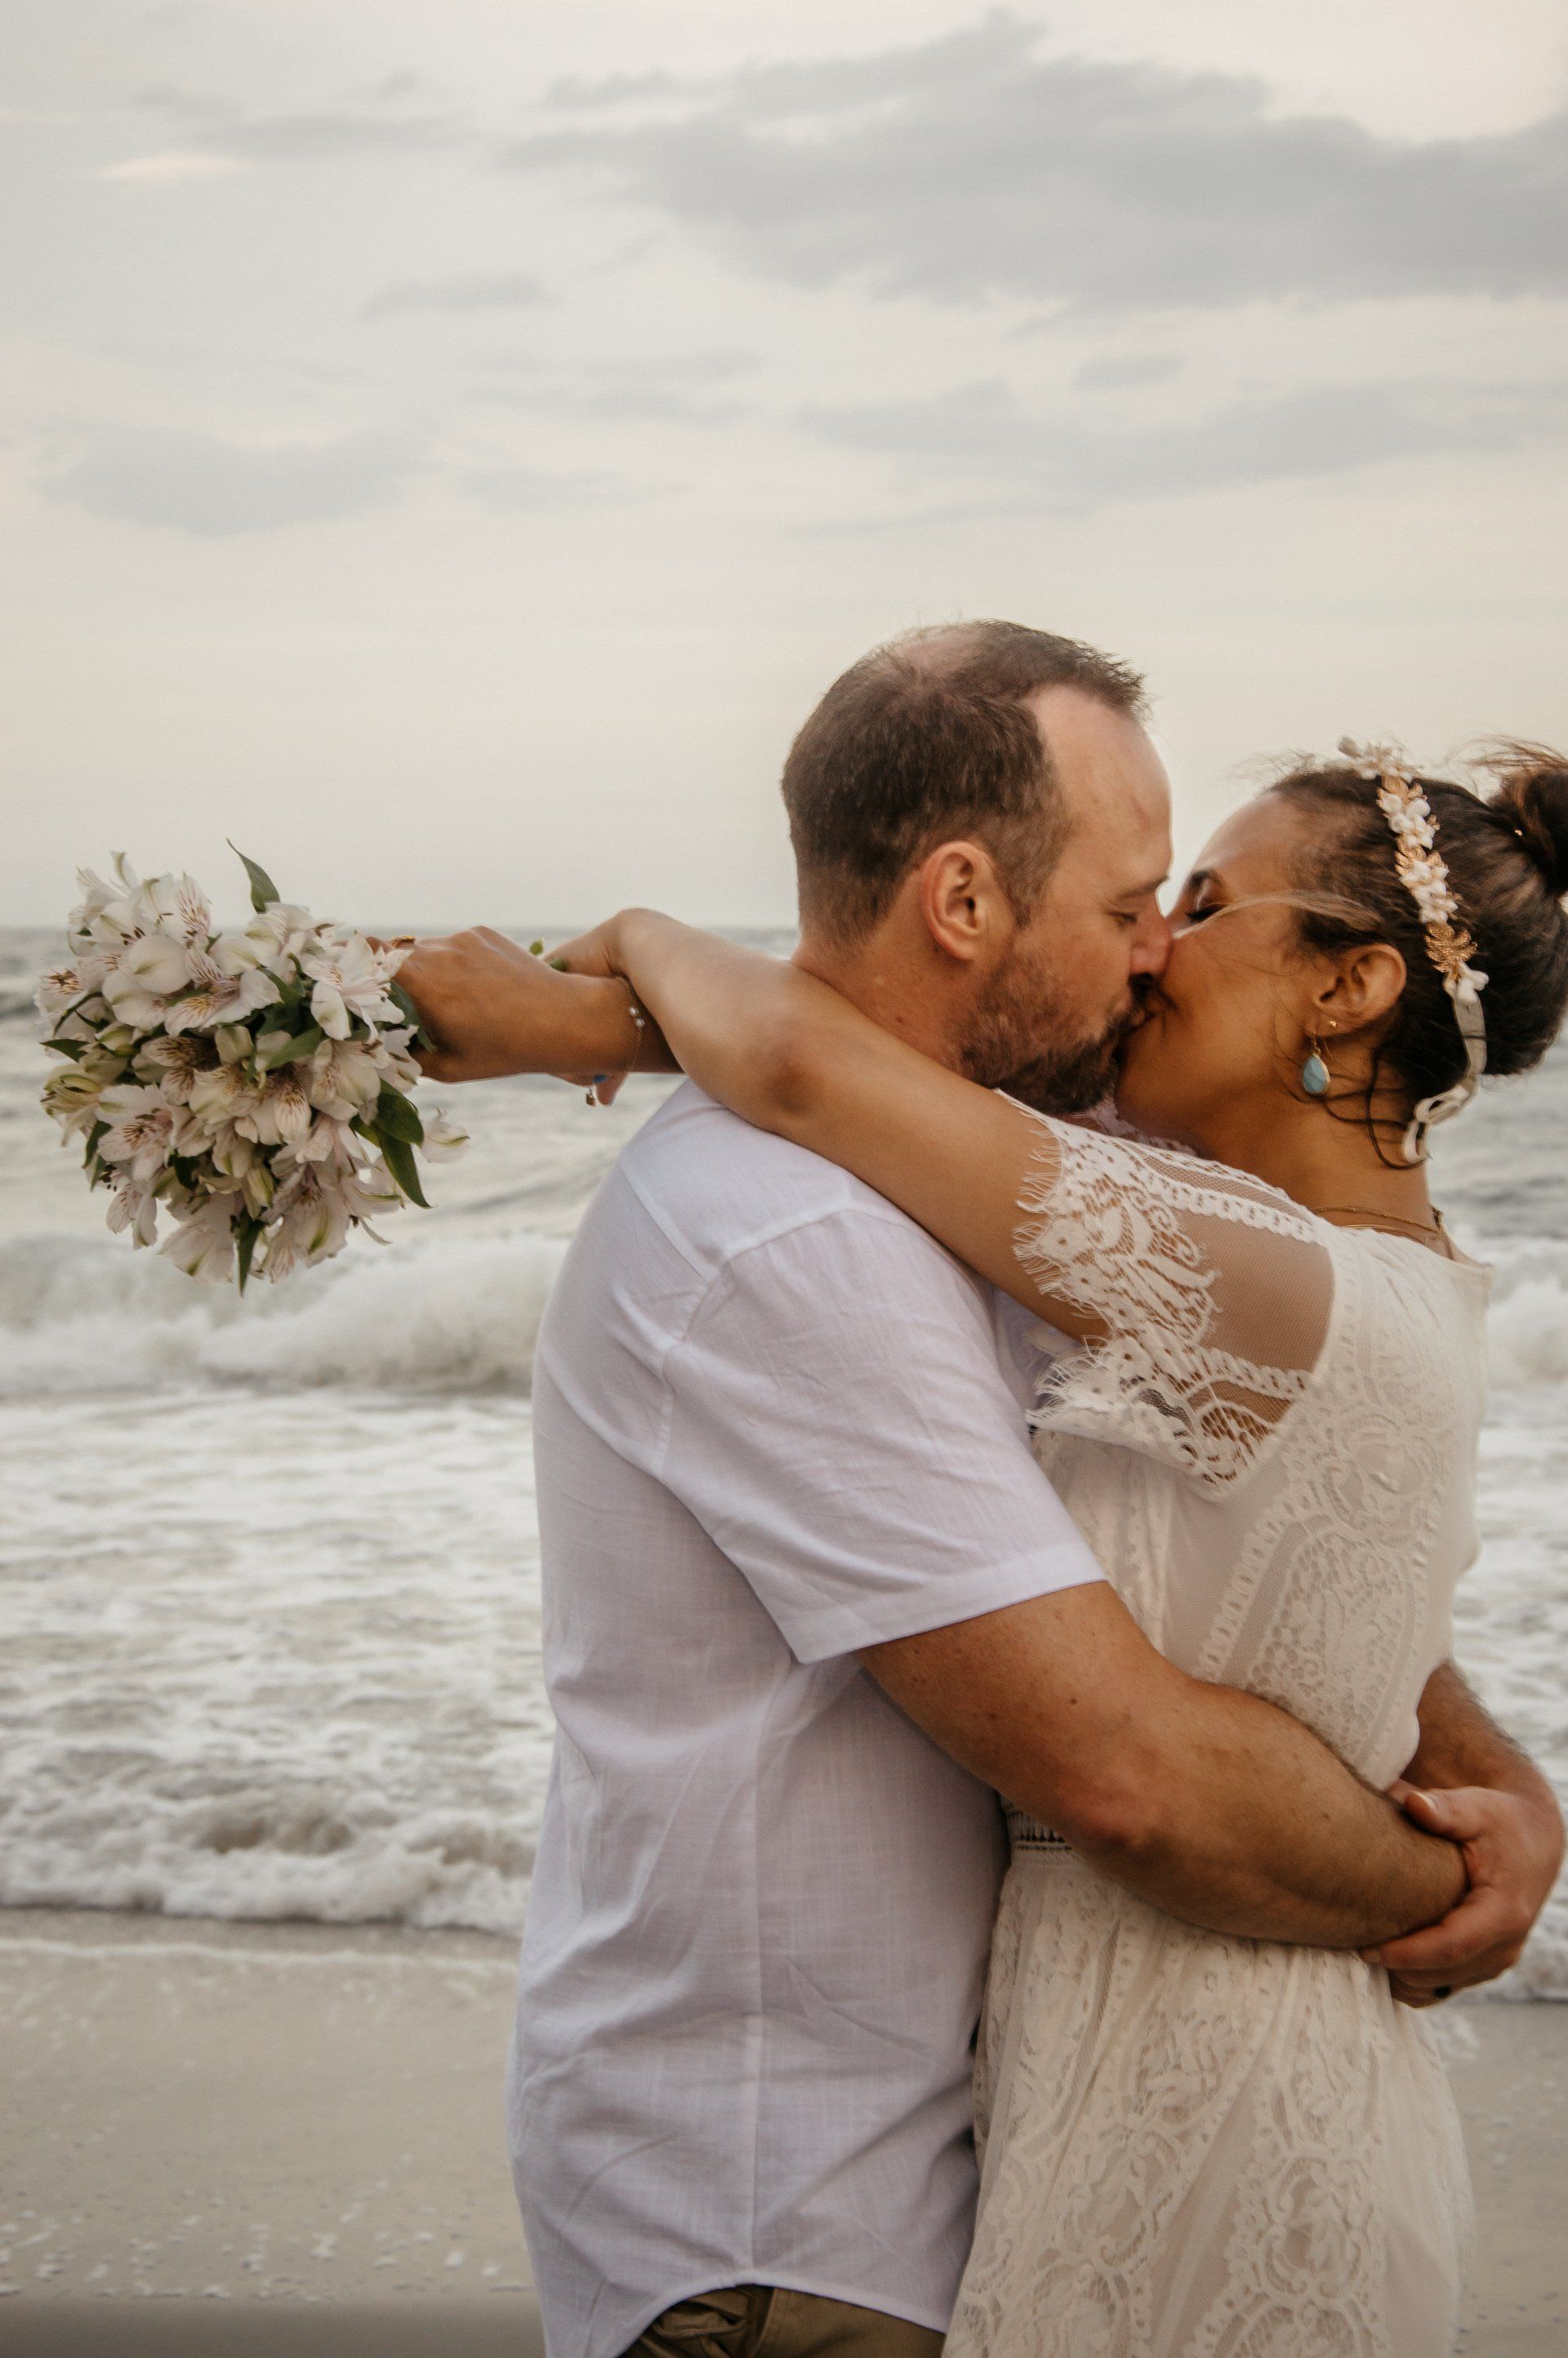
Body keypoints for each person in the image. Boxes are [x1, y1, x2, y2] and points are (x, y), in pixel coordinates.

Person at [395, 626, 1564, 2358]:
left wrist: (631, 962)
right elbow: (1134, 1761)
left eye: (1193, 902)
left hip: (1108, 2138)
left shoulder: (1189, 1236)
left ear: (1350, 989)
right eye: (1134, 902)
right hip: (800, 2215)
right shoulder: (832, 1225)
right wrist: (1454, 1868)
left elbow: (817, 1067)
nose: (1157, 948)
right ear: (963, 901)